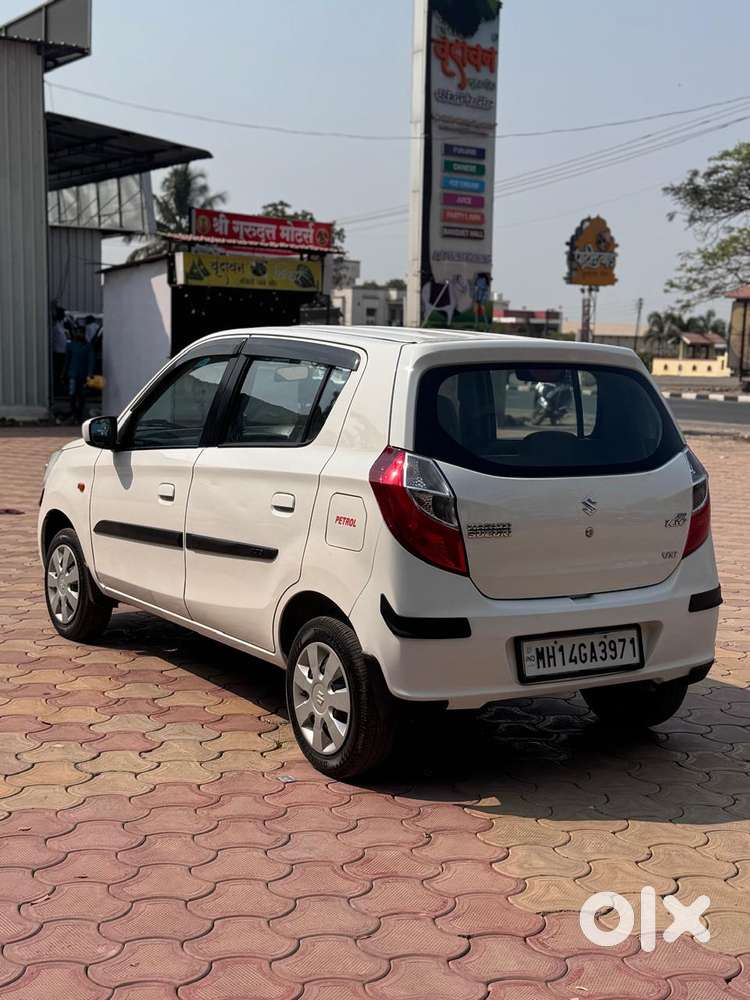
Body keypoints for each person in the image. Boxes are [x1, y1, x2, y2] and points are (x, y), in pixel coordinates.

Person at [64, 326, 91, 424]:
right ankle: (75, 414)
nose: (79, 334)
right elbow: (67, 360)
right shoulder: (71, 345)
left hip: (83, 375)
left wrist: (90, 373)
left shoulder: (87, 346)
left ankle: (79, 415)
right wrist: (64, 373)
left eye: (81, 333)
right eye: (77, 332)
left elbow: (91, 360)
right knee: (72, 395)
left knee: (82, 396)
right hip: (73, 374)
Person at [50, 307, 68, 394]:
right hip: (57, 352)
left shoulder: (60, 325)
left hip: (62, 352)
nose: (64, 315)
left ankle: (59, 387)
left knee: (61, 371)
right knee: (57, 372)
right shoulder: (54, 325)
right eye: (63, 314)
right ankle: (57, 388)